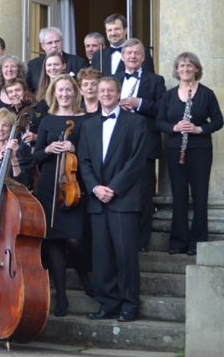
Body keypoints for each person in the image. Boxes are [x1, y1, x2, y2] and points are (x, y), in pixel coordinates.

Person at [78, 77, 148, 322]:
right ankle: (107, 303)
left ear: (119, 93)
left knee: (126, 255)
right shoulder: (88, 126)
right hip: (97, 200)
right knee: (102, 256)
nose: (106, 94)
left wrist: (113, 188)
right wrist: (96, 188)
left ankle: (129, 305)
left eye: (110, 90)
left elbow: (137, 161)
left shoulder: (136, 122)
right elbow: (83, 162)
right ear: (96, 94)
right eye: (102, 90)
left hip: (124, 199)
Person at [33, 75, 93, 316]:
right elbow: (36, 156)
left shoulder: (85, 119)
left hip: (73, 186)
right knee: (54, 240)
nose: (65, 94)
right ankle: (61, 296)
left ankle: (83, 275)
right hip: (49, 185)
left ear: (75, 92)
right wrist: (47, 148)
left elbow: (94, 152)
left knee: (74, 239)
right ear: (54, 93)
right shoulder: (47, 120)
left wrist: (75, 148)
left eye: (69, 90)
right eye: (60, 90)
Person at [156, 52, 224, 256]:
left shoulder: (206, 94)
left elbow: (219, 121)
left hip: (200, 151)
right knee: (179, 197)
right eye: (181, 66)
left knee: (200, 196)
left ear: (196, 69)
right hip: (176, 149)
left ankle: (198, 243)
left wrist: (199, 130)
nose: (185, 69)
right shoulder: (168, 96)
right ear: (176, 70)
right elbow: (159, 121)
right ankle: (178, 242)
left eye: (189, 65)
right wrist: (174, 128)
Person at [115, 38, 166, 252]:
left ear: (144, 58)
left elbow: (163, 109)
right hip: (118, 144)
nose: (133, 56)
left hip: (145, 143)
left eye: (137, 53)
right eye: (129, 53)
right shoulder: (113, 79)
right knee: (119, 190)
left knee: (144, 193)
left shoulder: (155, 80)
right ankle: (119, 238)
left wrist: (140, 103)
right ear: (123, 57)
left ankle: (141, 242)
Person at [26, 27, 87, 94]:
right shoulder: (33, 65)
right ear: (42, 45)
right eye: (50, 43)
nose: (54, 45)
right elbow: (28, 91)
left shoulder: (79, 62)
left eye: (57, 41)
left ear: (62, 42)